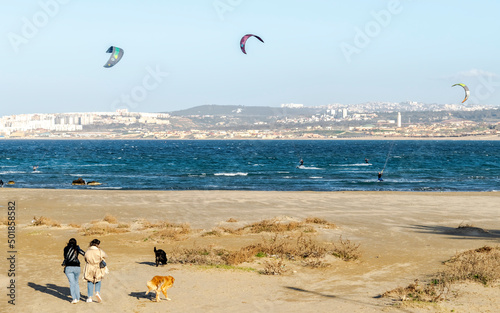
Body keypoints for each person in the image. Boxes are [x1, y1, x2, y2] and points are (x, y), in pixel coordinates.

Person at [84, 239, 107, 303]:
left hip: (89, 267)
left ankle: (90, 297)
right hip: (97, 267)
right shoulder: (99, 251)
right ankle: (97, 292)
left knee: (89, 281)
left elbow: (85, 258)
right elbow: (105, 256)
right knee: (98, 280)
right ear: (98, 244)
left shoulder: (88, 251)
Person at [63, 238, 85, 304]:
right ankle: (78, 298)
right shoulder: (77, 248)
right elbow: (84, 253)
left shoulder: (66, 248)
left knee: (72, 283)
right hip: (77, 267)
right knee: (76, 282)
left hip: (69, 267)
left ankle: (74, 298)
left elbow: (65, 257)